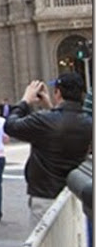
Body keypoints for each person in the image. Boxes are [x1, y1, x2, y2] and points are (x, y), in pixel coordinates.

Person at [5, 73, 92, 226]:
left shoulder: (44, 120)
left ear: (58, 92)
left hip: (46, 196)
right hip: (74, 193)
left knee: (45, 244)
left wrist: (25, 100)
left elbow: (11, 126)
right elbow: (62, 125)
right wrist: (51, 107)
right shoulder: (87, 122)